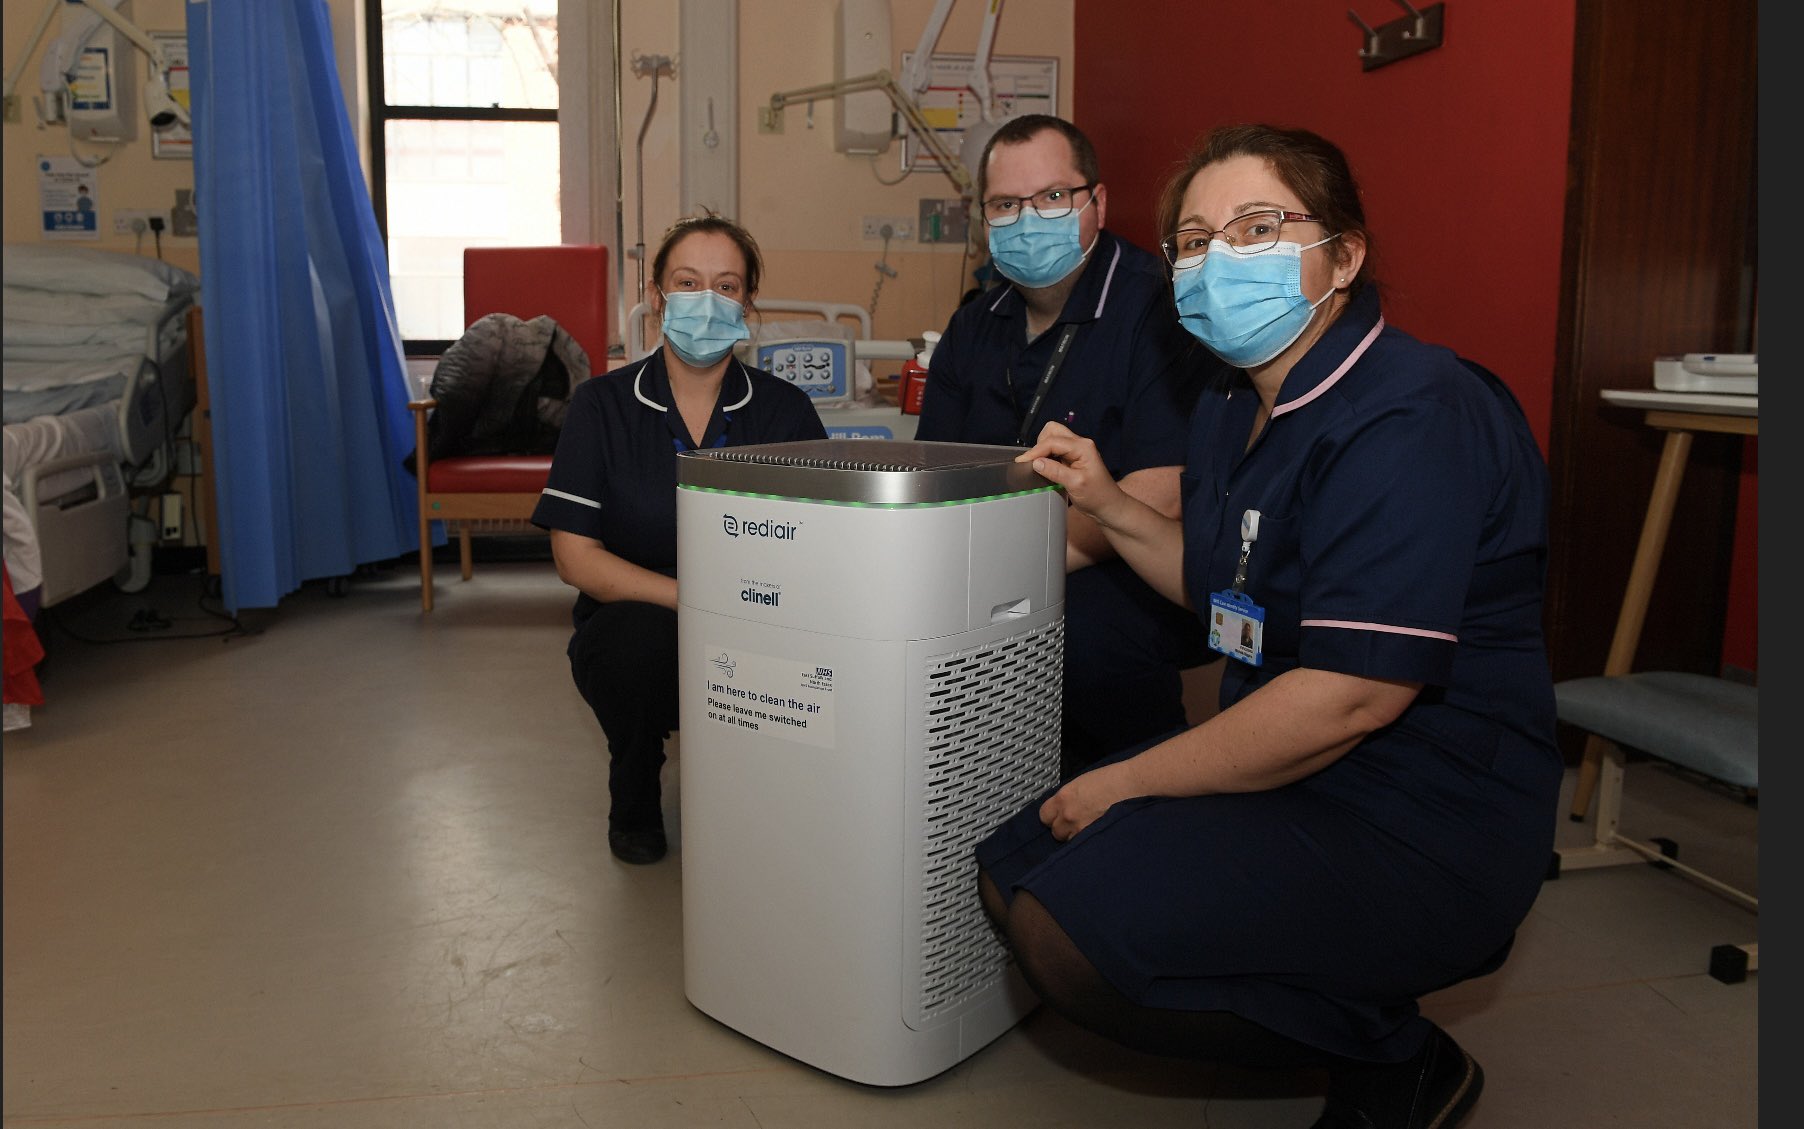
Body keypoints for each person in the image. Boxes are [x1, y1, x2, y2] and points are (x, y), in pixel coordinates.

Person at [974, 124, 1561, 1129]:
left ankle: (1396, 1061)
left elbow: (1352, 694)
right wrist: (1114, 506)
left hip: (1424, 807)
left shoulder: (1409, 415)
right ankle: (1338, 996)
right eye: (1196, 241)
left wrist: (1123, 779)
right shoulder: (1228, 402)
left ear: (1344, 252)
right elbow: (1219, 588)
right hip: (1297, 762)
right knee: (1011, 862)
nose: (1218, 259)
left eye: (1257, 226)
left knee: (1065, 937)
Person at [914, 113, 1226, 779]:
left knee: (1085, 637)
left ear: (1097, 202)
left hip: (1130, 568)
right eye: (1006, 204)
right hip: (988, 566)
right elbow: (931, 470)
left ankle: (1138, 807)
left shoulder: (1156, 309)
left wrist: (1009, 574)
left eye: (1053, 197)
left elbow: (1162, 487)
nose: (1029, 219)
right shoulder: (974, 326)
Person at [532, 214, 827, 865]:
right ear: (658, 295)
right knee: (633, 646)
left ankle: (763, 782)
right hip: (639, 622)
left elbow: (819, 549)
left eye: (726, 285)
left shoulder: (785, 412)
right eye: (687, 282)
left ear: (748, 305)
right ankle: (634, 779)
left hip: (761, 619)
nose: (705, 300)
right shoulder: (602, 407)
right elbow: (574, 555)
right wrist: (692, 597)